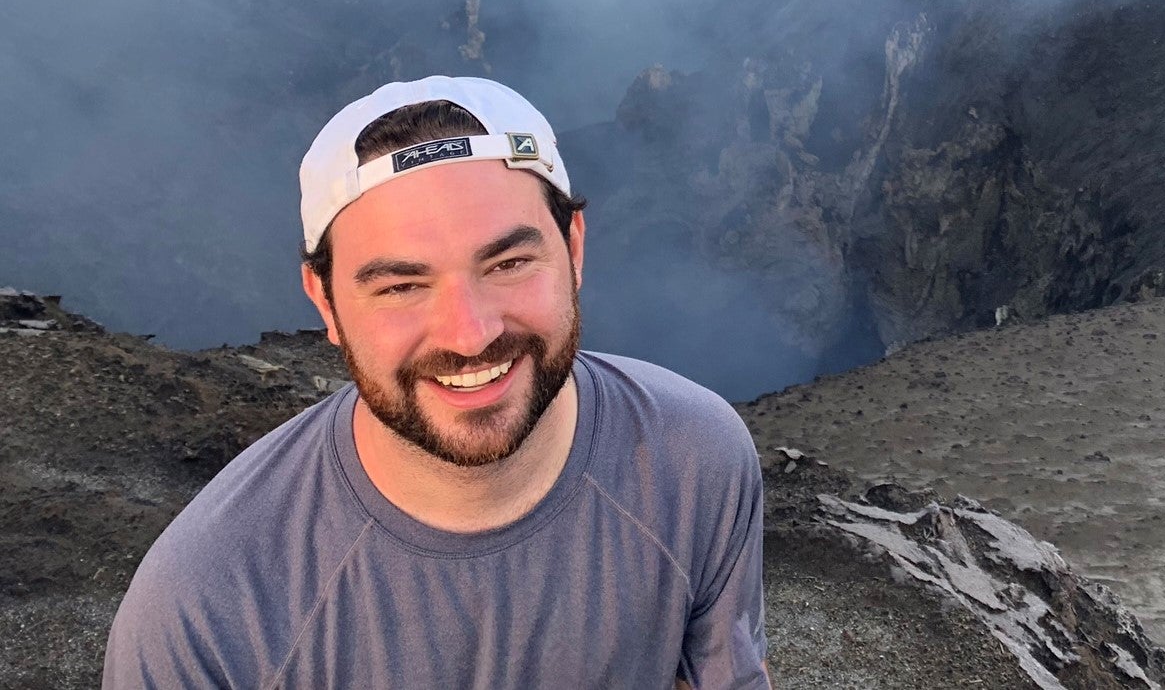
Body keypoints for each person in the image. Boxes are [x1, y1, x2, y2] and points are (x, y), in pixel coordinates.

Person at [102, 76, 772, 689]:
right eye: (401, 285)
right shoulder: (205, 609)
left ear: (573, 248)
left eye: (508, 262)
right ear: (325, 302)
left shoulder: (695, 462)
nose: (469, 333)